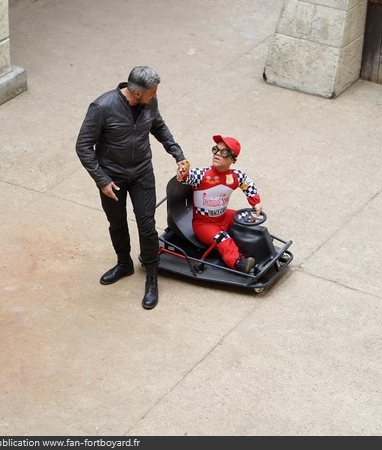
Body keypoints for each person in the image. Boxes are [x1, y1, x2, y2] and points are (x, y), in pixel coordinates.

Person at [76, 66, 189, 310]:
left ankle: (151, 275)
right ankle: (124, 263)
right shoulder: (102, 107)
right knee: (117, 223)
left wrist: (177, 154)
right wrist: (102, 179)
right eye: (153, 92)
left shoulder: (150, 103)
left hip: (142, 173)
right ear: (137, 93)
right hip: (112, 177)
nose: (156, 96)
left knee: (146, 225)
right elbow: (83, 146)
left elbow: (159, 128)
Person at [176, 135, 262, 273]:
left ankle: (258, 243)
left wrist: (255, 203)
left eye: (224, 152)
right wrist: (183, 173)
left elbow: (248, 184)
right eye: (216, 149)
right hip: (204, 224)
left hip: (222, 218)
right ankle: (238, 262)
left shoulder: (236, 176)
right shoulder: (202, 175)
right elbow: (187, 177)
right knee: (222, 238)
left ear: (232, 159)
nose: (217, 153)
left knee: (247, 217)